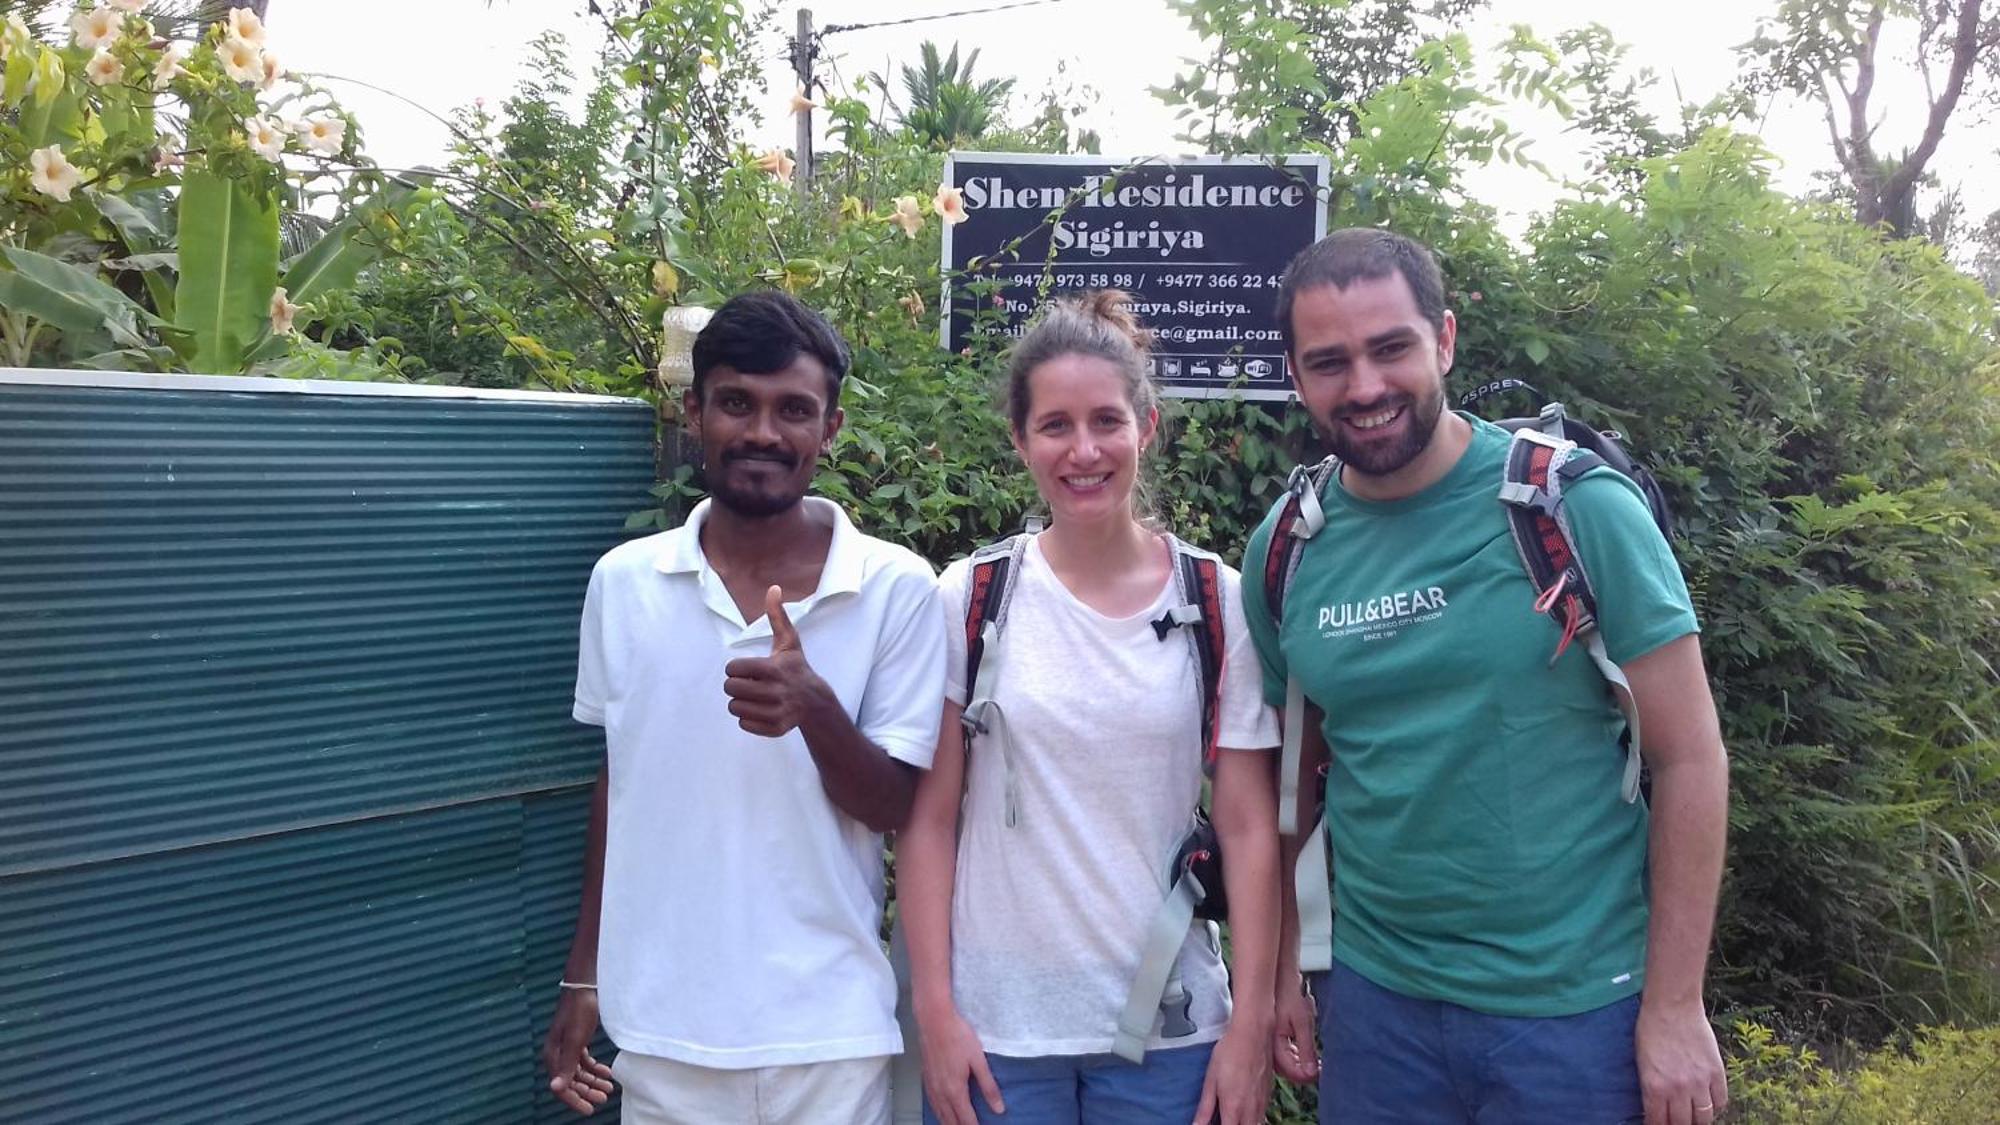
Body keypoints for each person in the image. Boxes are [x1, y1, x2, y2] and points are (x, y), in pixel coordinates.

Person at [1245, 228, 1731, 1125]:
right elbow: (1292, 790)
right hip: (1377, 1006)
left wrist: (1673, 1005)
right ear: (1296, 373)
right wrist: (1284, 973)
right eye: (1329, 362)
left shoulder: (1574, 507)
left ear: (1445, 340)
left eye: (1392, 348)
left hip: (1575, 1011)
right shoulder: (1286, 547)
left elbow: (1692, 757)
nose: (1365, 387)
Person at [542, 289, 946, 1124]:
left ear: (829, 428)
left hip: (826, 1040)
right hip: (660, 1032)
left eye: (794, 409)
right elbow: (621, 782)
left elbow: (896, 805)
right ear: (693, 412)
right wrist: (583, 976)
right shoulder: (624, 582)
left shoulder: (896, 587)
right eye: (736, 403)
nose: (763, 432)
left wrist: (816, 709)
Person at [897, 291, 1282, 1125]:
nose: (1083, 450)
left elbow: (1250, 827)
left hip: (1170, 1033)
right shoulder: (971, 596)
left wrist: (1249, 1025)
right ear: (1019, 438)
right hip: (997, 1029)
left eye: (1106, 420)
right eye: (1055, 425)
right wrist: (934, 1009)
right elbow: (929, 820)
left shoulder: (1215, 598)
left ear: (1145, 427)